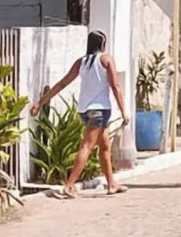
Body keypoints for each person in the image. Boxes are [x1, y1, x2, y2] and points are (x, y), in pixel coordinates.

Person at [30, 30, 130, 198]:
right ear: (102, 44)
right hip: (100, 110)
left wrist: (41, 102)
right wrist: (123, 111)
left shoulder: (81, 62)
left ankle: (111, 184)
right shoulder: (106, 59)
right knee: (87, 146)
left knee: (104, 146)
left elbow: (62, 83)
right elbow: (115, 86)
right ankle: (69, 186)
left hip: (85, 110)